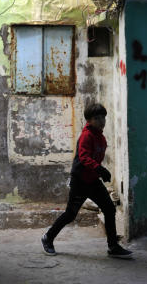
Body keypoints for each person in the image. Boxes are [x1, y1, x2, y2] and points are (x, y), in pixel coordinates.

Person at [41, 103, 133, 259]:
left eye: (103, 117)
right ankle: (48, 238)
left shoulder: (100, 137)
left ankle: (113, 247)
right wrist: (100, 169)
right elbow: (84, 158)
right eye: (97, 118)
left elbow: (95, 158)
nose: (101, 121)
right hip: (80, 181)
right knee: (70, 214)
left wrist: (99, 171)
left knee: (109, 209)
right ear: (89, 120)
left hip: (92, 180)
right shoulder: (86, 135)